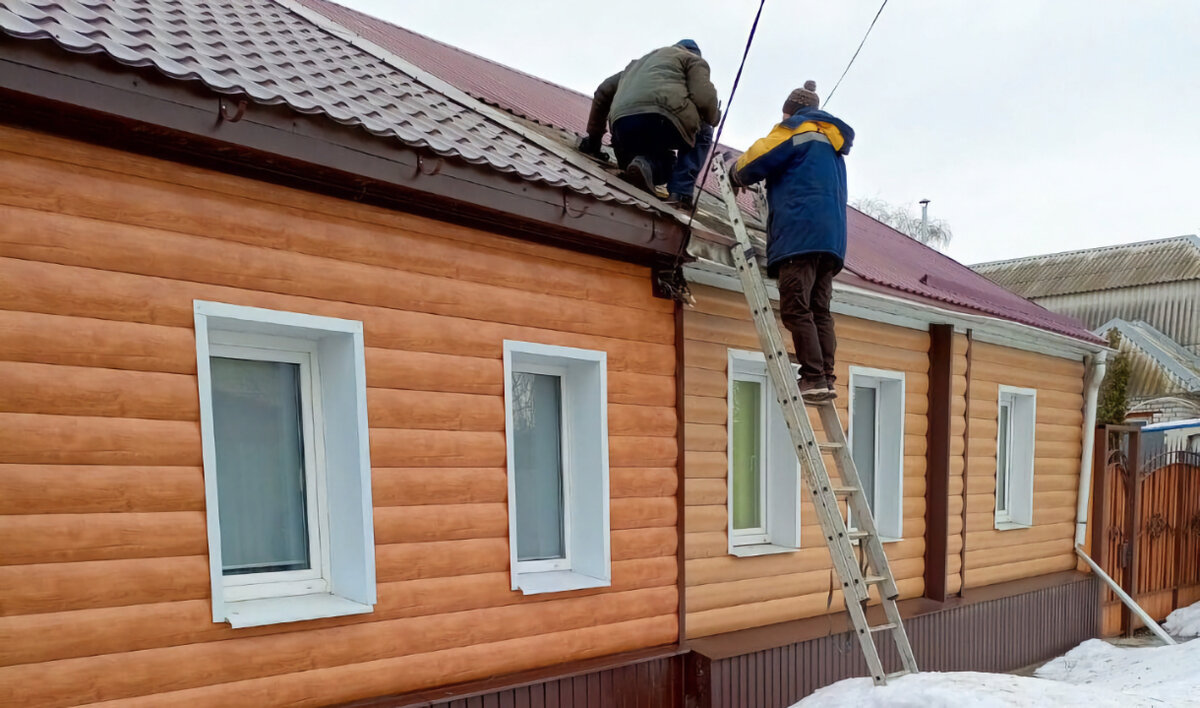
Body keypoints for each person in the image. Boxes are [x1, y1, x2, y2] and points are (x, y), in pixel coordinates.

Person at [727, 80, 855, 402]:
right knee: (819, 310)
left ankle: (812, 377)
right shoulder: (831, 143)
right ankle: (825, 376)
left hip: (800, 235)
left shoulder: (796, 130)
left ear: (792, 110)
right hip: (831, 242)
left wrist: (735, 173)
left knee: (796, 309)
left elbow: (758, 157)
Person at [579, 40, 719, 207]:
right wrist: (715, 117)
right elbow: (704, 99)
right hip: (661, 119)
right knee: (704, 130)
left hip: (622, 127)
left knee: (658, 162)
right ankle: (680, 193)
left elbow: (603, 91)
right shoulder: (692, 60)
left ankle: (642, 164)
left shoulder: (638, 64)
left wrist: (593, 143)